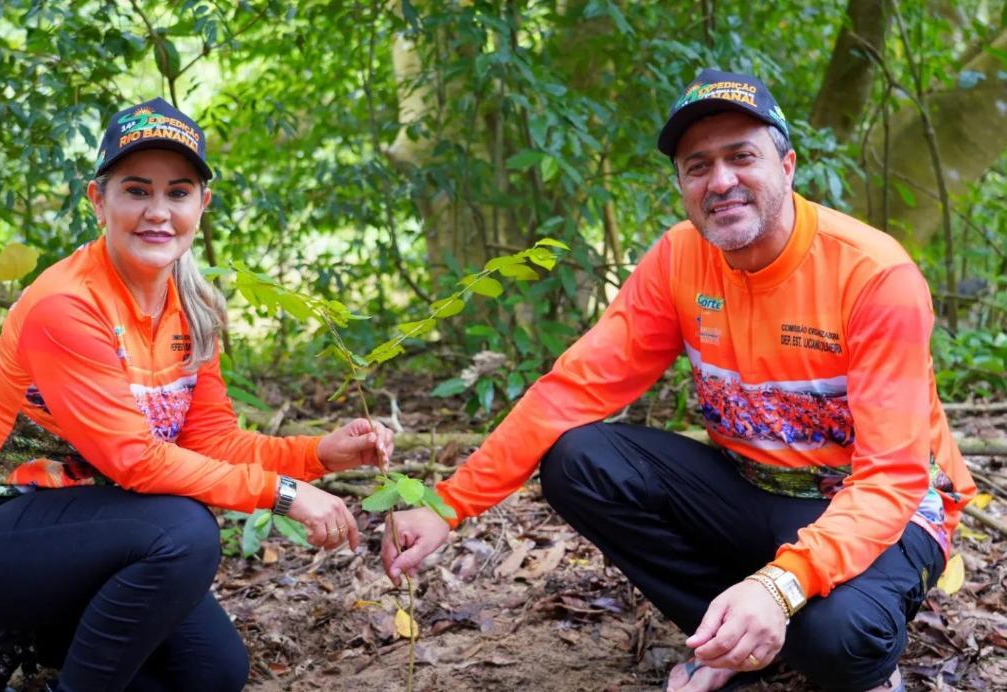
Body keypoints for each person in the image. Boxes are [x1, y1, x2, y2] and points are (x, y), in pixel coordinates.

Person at [381, 69, 976, 692]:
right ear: (683, 185)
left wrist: (781, 583)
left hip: (889, 508)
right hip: (754, 489)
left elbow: (891, 478)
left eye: (741, 156)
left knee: (834, 640)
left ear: (788, 165)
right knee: (579, 459)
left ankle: (819, 638)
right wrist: (446, 506)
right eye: (697, 167)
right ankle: (730, 636)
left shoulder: (874, 274)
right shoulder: (679, 257)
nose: (720, 182)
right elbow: (574, 388)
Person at [0, 97, 395, 692]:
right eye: (137, 191)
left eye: (178, 192)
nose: (158, 212)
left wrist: (320, 454)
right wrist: (285, 493)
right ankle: (4, 614)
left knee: (211, 675)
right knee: (184, 530)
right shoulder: (66, 305)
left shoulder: (191, 311)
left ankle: (25, 630)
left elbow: (210, 442)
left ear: (202, 204)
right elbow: (136, 461)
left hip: (90, 531)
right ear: (99, 200)